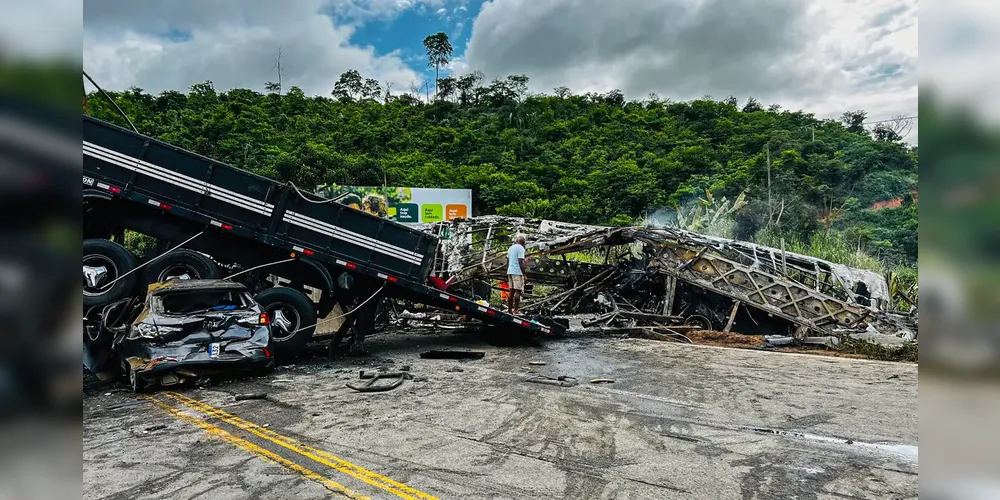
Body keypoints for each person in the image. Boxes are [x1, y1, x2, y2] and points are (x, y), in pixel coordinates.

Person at [505, 235, 527, 315]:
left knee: (511, 291)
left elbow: (507, 260)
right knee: (518, 291)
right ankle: (516, 310)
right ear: (522, 242)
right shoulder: (521, 248)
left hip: (510, 271)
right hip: (517, 272)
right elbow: (520, 261)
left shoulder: (511, 248)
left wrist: (507, 270)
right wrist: (524, 275)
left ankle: (509, 310)